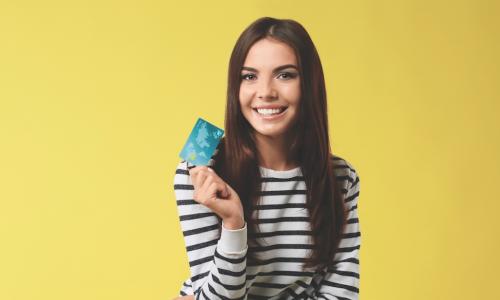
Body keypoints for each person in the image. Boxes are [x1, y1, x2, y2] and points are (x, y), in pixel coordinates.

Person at [172, 16, 361, 300]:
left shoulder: (341, 177)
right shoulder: (201, 165)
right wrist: (234, 224)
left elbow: (341, 294)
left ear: (310, 84)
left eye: (285, 75)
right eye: (249, 76)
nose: (265, 92)